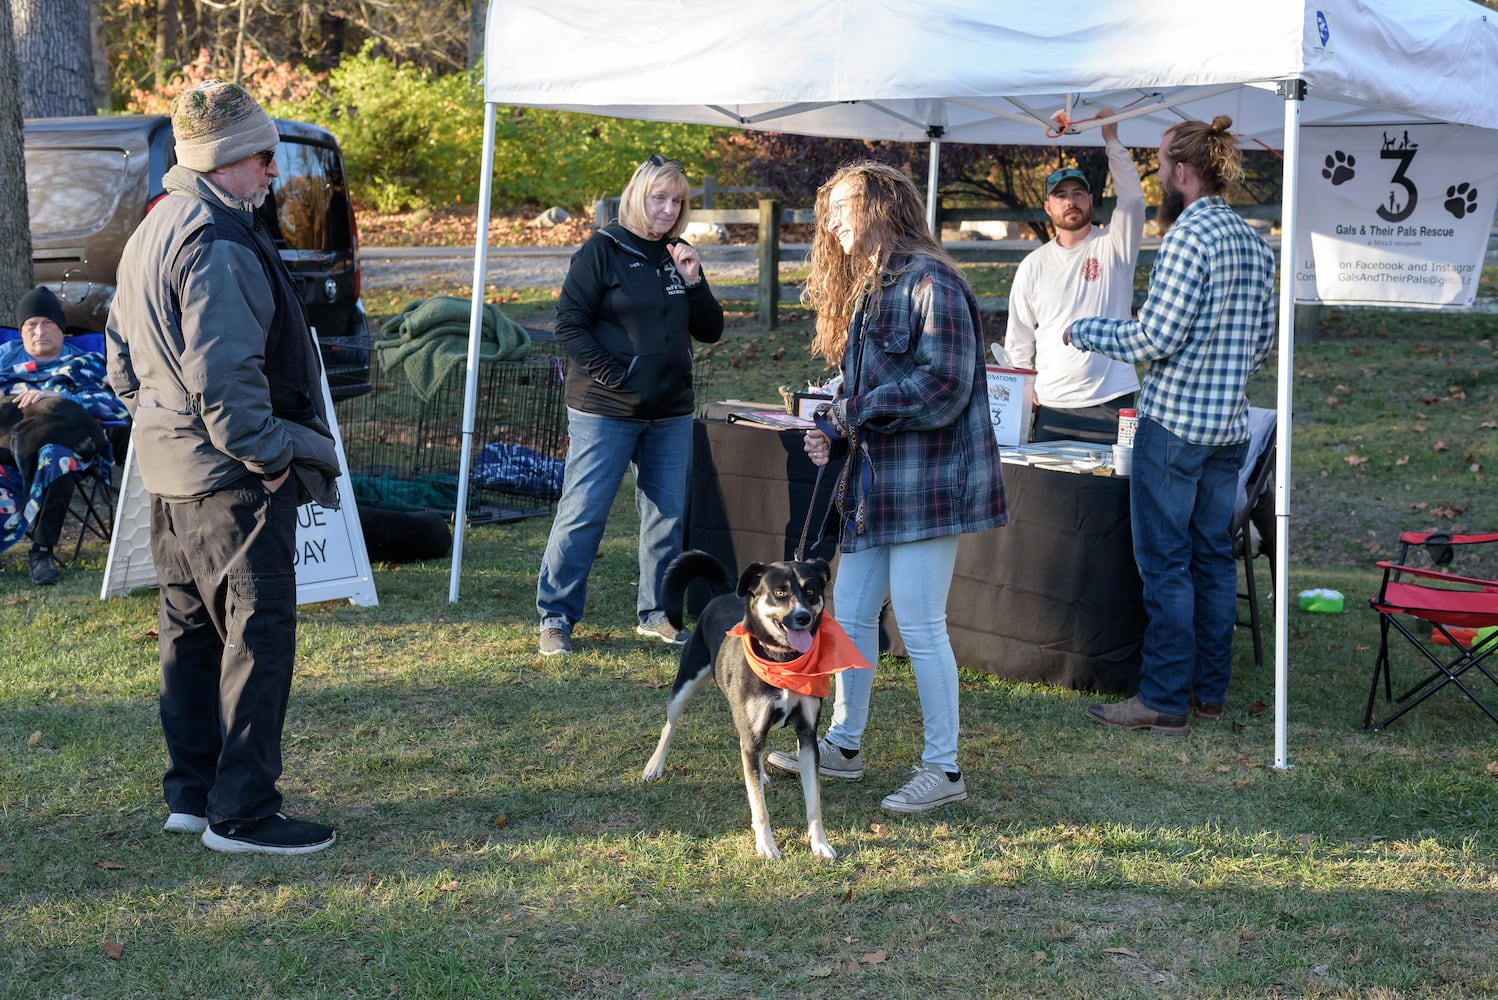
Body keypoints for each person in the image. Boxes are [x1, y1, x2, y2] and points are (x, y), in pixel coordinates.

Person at [105, 81, 341, 854]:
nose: (275, 170)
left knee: (192, 638)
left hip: (173, 474)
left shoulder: (155, 227)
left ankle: (194, 793)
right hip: (230, 481)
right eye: (264, 156)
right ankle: (241, 813)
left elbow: (120, 360)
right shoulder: (216, 237)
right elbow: (229, 378)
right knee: (257, 636)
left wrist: (161, 430)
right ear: (226, 159)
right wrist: (269, 457)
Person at [764, 161, 1008, 814]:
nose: (833, 222)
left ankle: (944, 769)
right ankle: (844, 745)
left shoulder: (934, 283)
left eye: (842, 207)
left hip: (929, 488)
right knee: (851, 614)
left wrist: (850, 413)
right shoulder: (873, 287)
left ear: (880, 206)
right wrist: (831, 422)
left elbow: (945, 385)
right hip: (875, 488)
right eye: (830, 211)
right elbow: (861, 389)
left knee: (922, 627)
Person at [1064, 115, 1277, 733]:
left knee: (1166, 566)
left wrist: (1086, 329)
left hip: (1176, 424)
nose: (1158, 173)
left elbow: (1157, 336)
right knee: (1212, 560)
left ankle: (1160, 699)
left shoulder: (1191, 236)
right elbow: (1262, 343)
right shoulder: (1253, 238)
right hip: (1229, 427)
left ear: (1183, 171)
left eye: (1159, 163)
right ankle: (1207, 695)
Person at [536, 154, 724, 656]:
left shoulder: (676, 254)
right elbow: (568, 325)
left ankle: (657, 614)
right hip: (605, 408)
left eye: (677, 200)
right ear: (637, 195)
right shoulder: (602, 250)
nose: (668, 209)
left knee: (666, 514)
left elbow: (711, 330)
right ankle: (555, 617)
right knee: (584, 512)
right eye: (659, 197)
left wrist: (694, 280)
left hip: (669, 410)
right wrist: (615, 374)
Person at [1005, 110, 1143, 443]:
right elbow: (1018, 338)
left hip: (1111, 399)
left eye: (1078, 194)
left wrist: (1112, 141)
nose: (1070, 201)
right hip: (1052, 404)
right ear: (1047, 206)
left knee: (1109, 491)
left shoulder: (1115, 246)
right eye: (1061, 195)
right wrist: (1025, 391)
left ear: (1091, 201)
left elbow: (1134, 199)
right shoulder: (1033, 265)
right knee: (1054, 493)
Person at [1, 286, 130, 585]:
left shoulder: (86, 364)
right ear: (21, 331)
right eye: (31, 325)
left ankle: (41, 551)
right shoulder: (4, 361)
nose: (39, 331)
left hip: (70, 445)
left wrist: (58, 398)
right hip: (8, 444)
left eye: (48, 323)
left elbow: (118, 408)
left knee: (55, 457)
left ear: (62, 329)